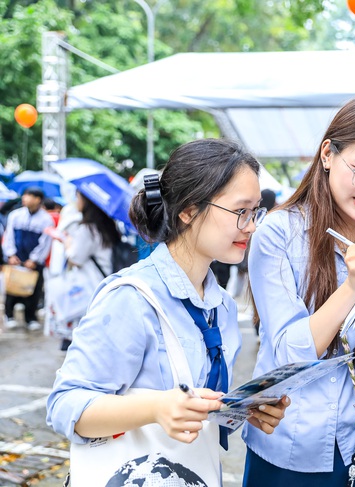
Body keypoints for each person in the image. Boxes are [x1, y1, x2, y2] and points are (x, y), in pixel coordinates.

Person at [46, 139, 289, 483]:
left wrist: (242, 410)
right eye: (240, 211)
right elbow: (65, 405)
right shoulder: (132, 297)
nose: (251, 226)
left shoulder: (222, 307)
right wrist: (156, 409)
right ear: (188, 211)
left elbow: (195, 412)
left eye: (255, 212)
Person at [243, 95, 355, 486]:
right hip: (294, 445)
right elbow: (289, 353)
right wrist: (352, 286)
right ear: (328, 154)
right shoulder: (278, 234)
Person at [52, 192, 121, 350]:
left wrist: (68, 243)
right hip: (104, 281)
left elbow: (75, 258)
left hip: (90, 285)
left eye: (78, 197)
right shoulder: (108, 225)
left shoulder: (88, 228)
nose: (76, 201)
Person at [2, 186, 54, 331]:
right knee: (11, 288)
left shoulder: (46, 219)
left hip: (33, 262)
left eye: (29, 195)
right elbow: (9, 236)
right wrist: (11, 254)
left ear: (38, 199)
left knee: (33, 290)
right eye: (24, 195)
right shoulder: (16, 215)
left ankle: (30, 317)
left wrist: (34, 259)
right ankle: (9, 315)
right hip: (16, 258)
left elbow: (45, 242)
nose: (24, 198)